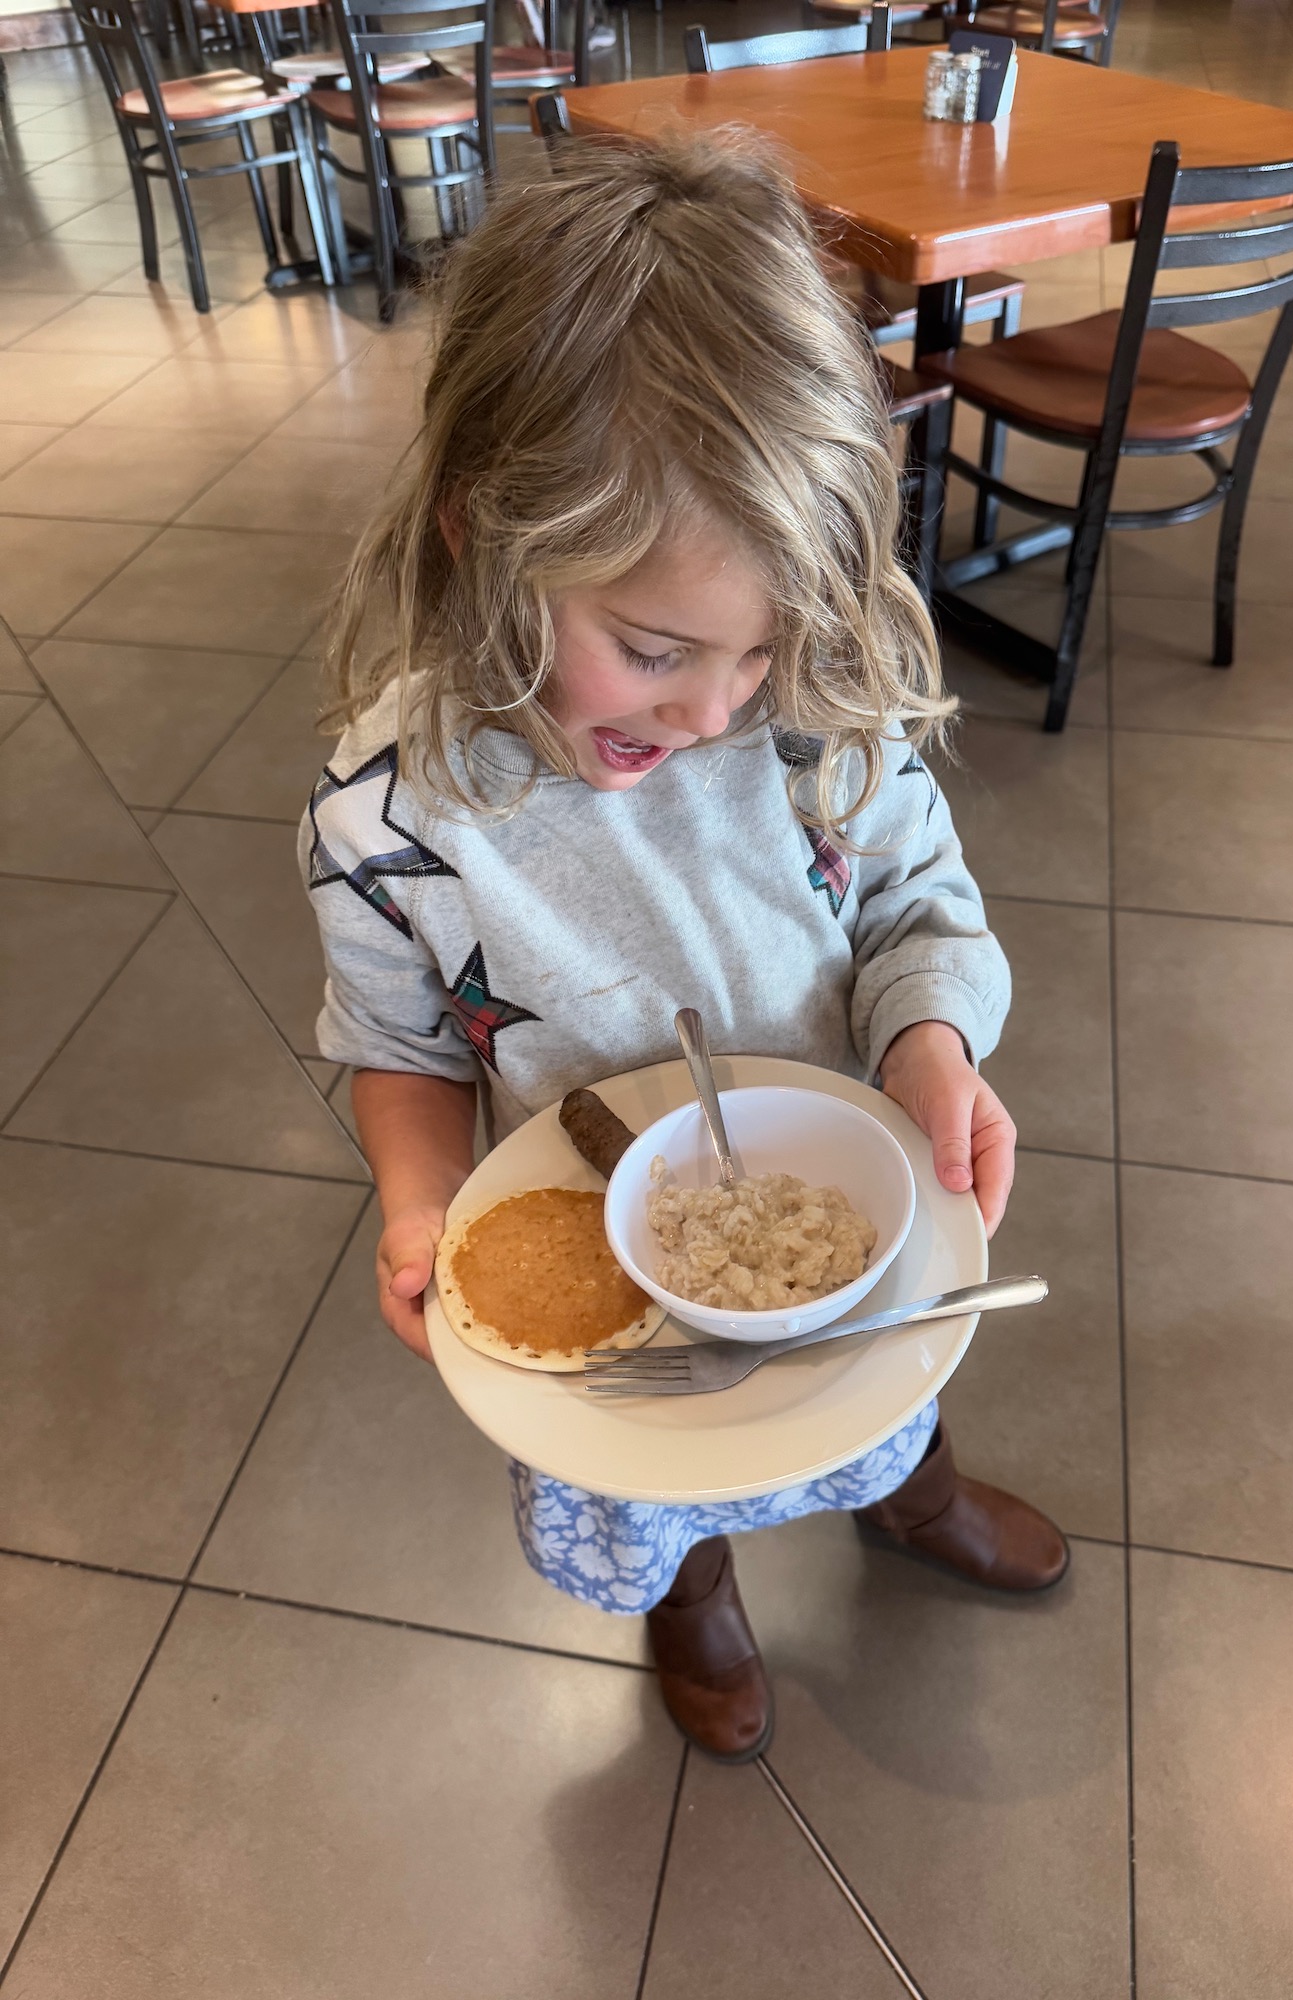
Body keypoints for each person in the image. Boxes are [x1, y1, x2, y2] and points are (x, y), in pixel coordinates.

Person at [300, 131, 1068, 1764]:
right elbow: (392, 1044)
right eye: (651, 648)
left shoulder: (808, 721)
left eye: (760, 650)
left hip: (820, 1209)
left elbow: (917, 899)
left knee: (873, 1391)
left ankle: (905, 1495)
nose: (714, 708)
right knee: (657, 1470)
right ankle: (695, 1598)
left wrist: (929, 1039)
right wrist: (421, 1196)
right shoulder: (391, 820)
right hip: (588, 1229)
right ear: (479, 535)